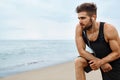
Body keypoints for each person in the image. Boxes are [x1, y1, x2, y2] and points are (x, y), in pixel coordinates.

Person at [74, 2, 120, 80]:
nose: (80, 21)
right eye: (79, 18)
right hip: (97, 58)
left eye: (83, 18)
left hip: (113, 60)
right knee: (79, 62)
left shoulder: (108, 29)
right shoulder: (80, 28)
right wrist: (100, 62)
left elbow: (117, 52)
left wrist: (101, 62)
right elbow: (81, 51)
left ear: (93, 17)